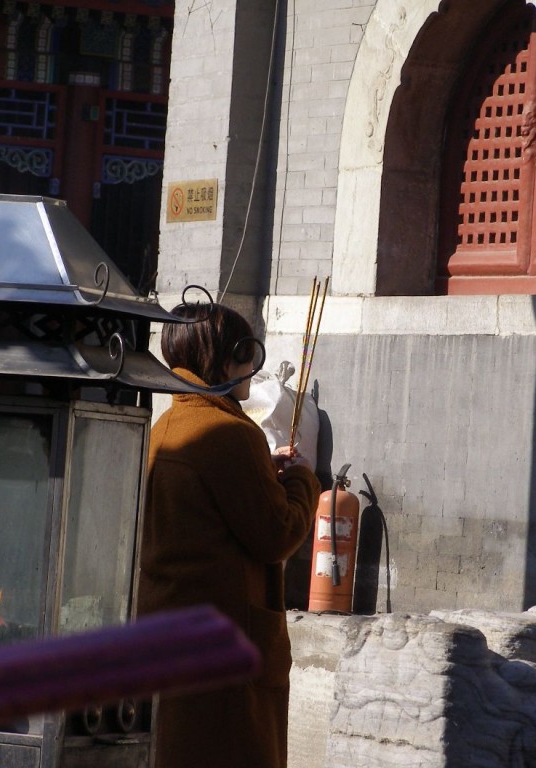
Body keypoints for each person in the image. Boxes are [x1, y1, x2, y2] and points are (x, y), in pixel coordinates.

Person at [137, 301, 320, 767]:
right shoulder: (230, 435)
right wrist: (301, 481)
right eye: (247, 355)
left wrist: (265, 471)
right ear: (223, 360)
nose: (251, 370)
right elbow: (276, 534)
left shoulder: (166, 426)